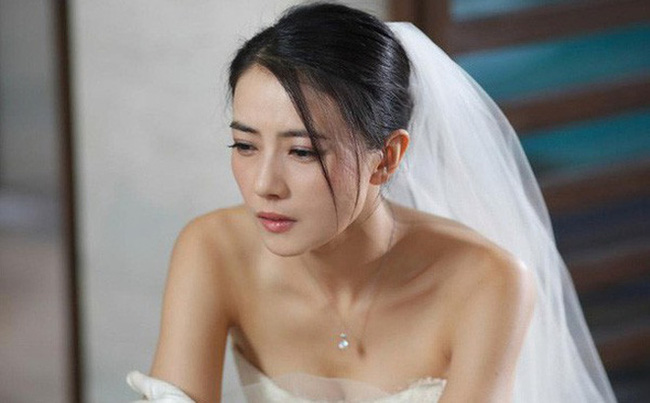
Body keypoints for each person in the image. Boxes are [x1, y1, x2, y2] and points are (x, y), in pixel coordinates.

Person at [126, 2, 617, 402]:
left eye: (302, 152)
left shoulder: (488, 282)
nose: (264, 185)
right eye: (245, 145)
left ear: (386, 158)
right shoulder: (212, 250)